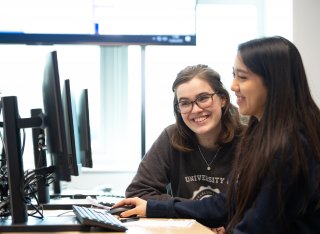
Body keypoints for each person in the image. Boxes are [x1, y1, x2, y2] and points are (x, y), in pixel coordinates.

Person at [113, 36, 320, 233]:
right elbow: (229, 204)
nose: (233, 86)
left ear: (274, 82)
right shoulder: (265, 134)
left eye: (243, 77)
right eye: (234, 75)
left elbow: (256, 225)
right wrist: (154, 208)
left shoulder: (288, 145)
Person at [125, 64, 243, 202]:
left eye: (203, 98)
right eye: (185, 103)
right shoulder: (171, 136)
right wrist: (186, 210)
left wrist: (177, 208)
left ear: (223, 99)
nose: (195, 110)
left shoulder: (248, 137)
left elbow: (250, 206)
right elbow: (137, 193)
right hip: (184, 223)